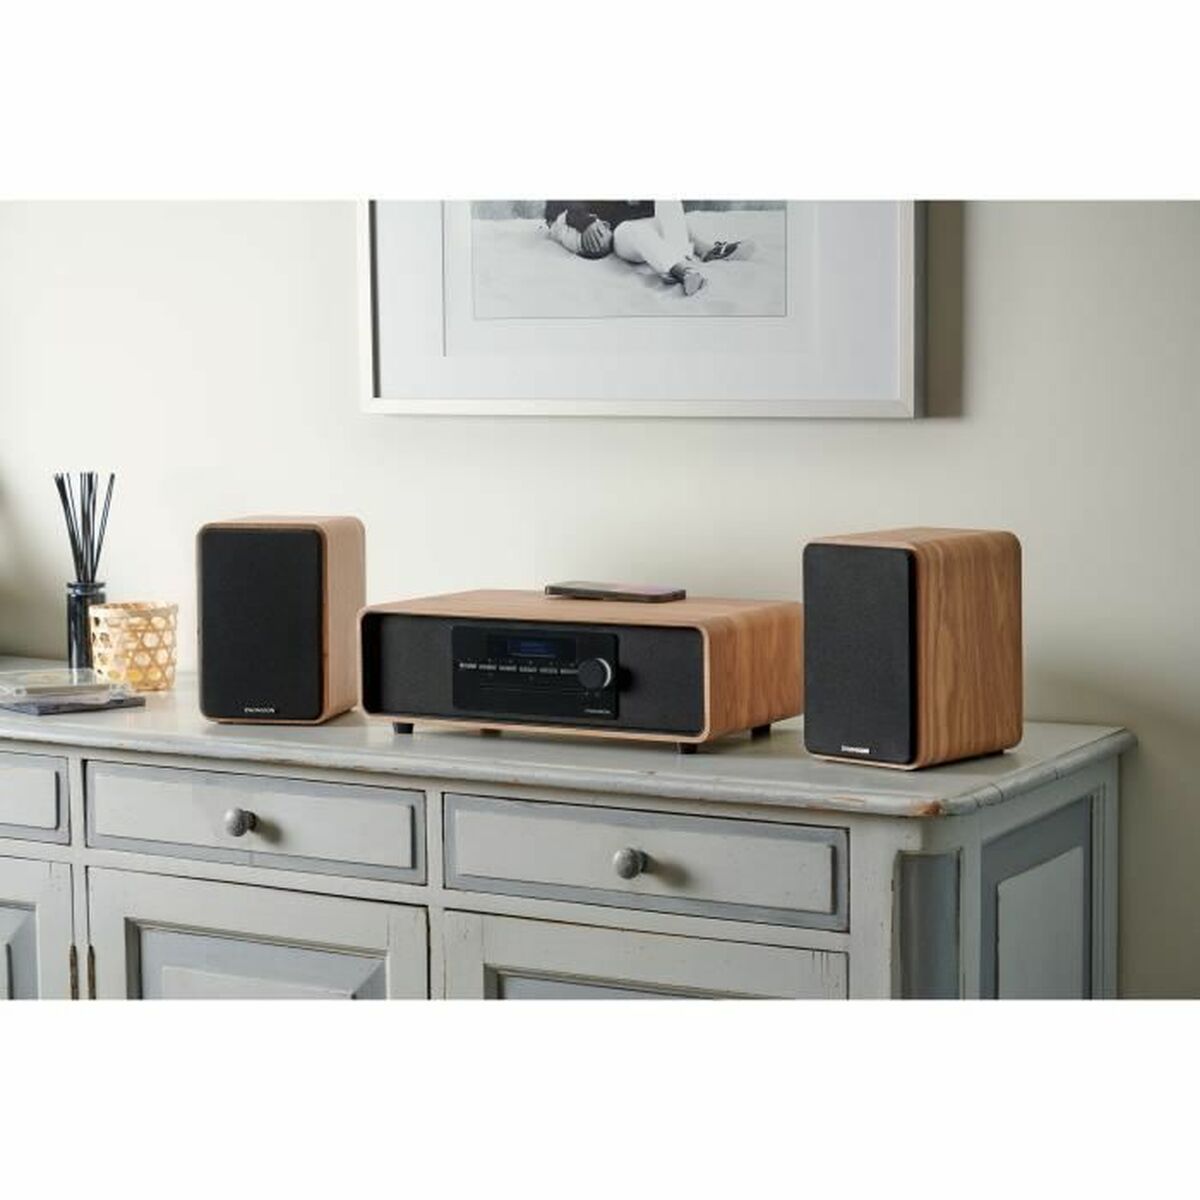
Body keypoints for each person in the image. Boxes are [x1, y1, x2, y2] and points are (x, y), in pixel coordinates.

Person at [542, 200, 749, 295]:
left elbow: (667, 214)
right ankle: (680, 269)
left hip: (652, 230)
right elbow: (565, 205)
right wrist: (585, 222)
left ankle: (698, 253)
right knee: (634, 230)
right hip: (621, 233)